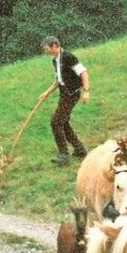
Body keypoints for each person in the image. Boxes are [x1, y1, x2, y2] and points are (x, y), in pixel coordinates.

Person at [38, 36, 90, 166]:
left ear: (54, 45)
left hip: (72, 94)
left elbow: (83, 73)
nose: (46, 51)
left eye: (47, 48)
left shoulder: (68, 57)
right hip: (64, 93)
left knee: (56, 122)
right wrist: (46, 93)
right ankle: (80, 150)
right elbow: (58, 80)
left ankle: (64, 155)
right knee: (63, 122)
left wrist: (86, 91)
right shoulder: (55, 60)